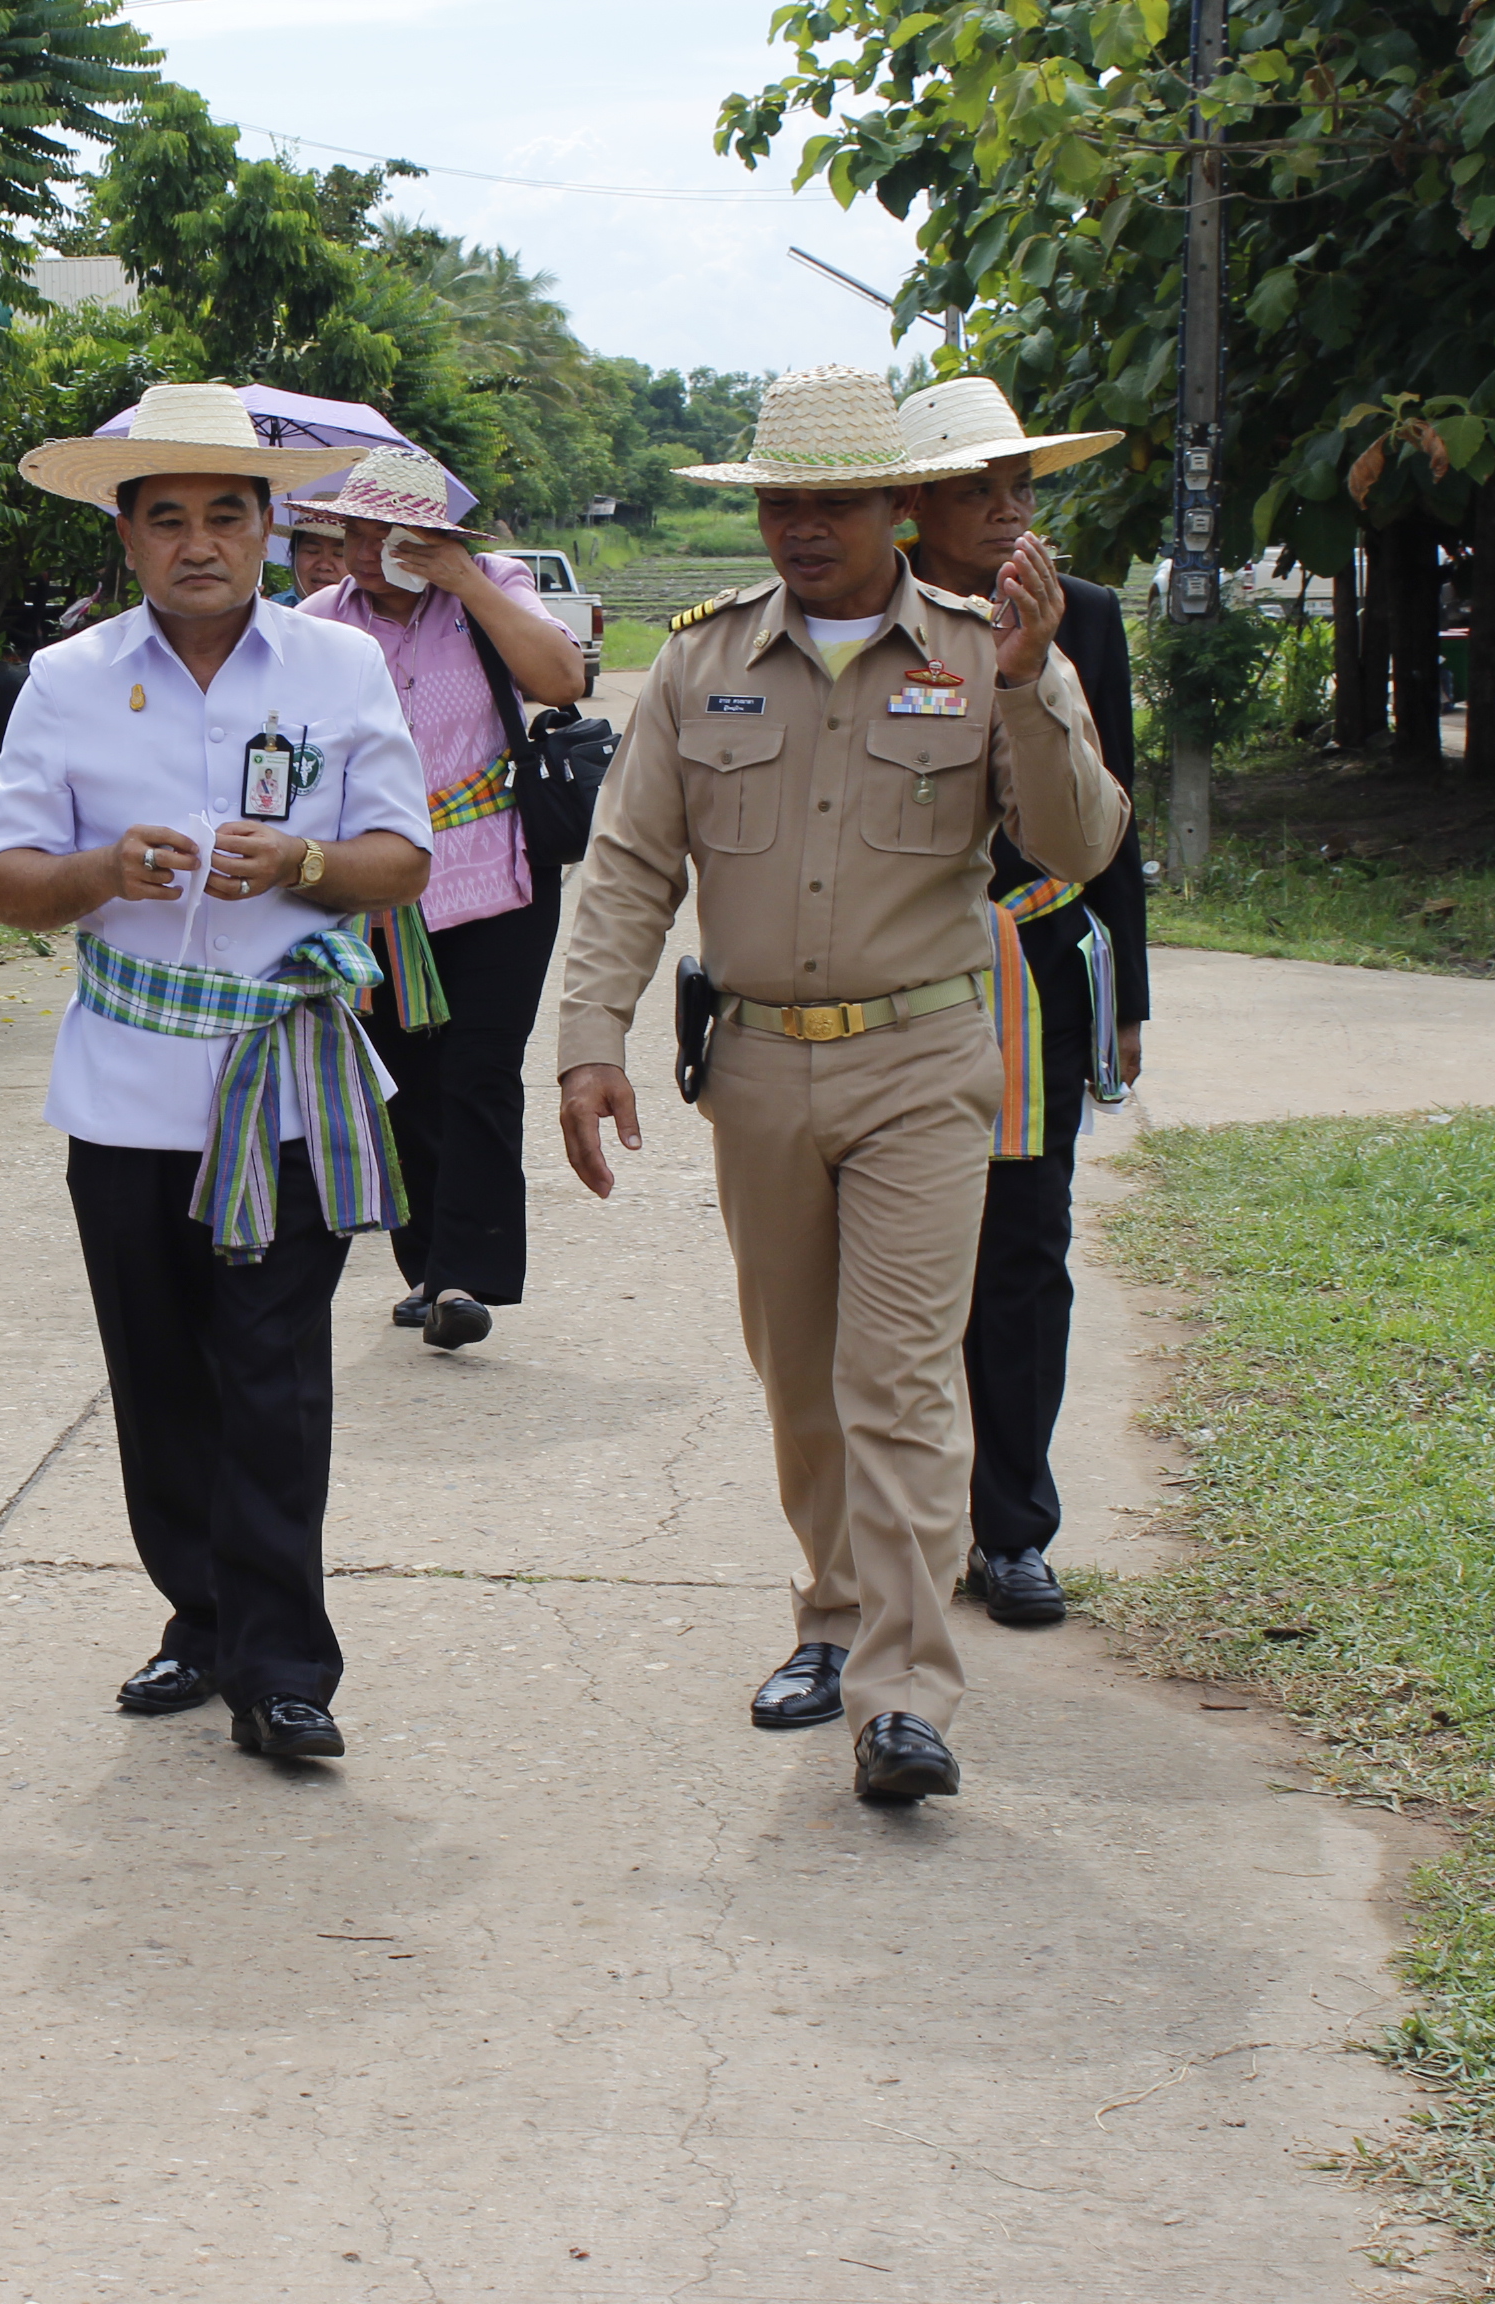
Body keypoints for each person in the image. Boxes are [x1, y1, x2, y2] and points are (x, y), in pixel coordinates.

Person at [553, 366, 1126, 1803]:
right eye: (780, 502)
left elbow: (1082, 840)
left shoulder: (983, 646)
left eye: (836, 501)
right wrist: (586, 1040)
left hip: (926, 1060)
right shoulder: (698, 661)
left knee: (900, 1380)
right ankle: (828, 1616)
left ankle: (904, 1696)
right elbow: (631, 863)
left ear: (895, 507)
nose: (804, 528)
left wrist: (1033, 685)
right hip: (754, 1068)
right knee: (802, 1382)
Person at [0, 382, 433, 1761]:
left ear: (273, 527)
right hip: (124, 1093)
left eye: (226, 515)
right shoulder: (67, 680)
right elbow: (0, 882)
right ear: (126, 539)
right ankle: (201, 1617)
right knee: (160, 1374)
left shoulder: (339, 672)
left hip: (284, 1083)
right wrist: (100, 872)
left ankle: (286, 1667)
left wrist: (301, 862)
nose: (198, 544)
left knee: (273, 1375)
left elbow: (402, 860)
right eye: (165, 519)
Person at [896, 377, 1151, 1630]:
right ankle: (901, 1531)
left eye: (1021, 490)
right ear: (911, 504)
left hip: (1039, 971)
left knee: (1024, 1255)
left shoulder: (1084, 619)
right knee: (902, 1270)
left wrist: (1130, 997)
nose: (1004, 515)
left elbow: (1118, 819)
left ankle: (1015, 1528)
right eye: (972, 491)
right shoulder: (876, 618)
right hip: (904, 976)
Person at [298, 445, 590, 1351]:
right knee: (405, 1083)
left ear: (430, 537)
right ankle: (427, 1266)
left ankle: (469, 1273)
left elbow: (560, 679)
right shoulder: (319, 622)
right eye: (351, 531)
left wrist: (466, 580)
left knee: (479, 1072)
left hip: (495, 877)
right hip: (380, 890)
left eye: (385, 534)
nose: (360, 550)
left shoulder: (488, 590)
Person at [281, 504, 351, 602]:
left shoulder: (370, 616)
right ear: (294, 553)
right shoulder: (265, 612)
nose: (324, 566)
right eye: (312, 551)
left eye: (339, 554)